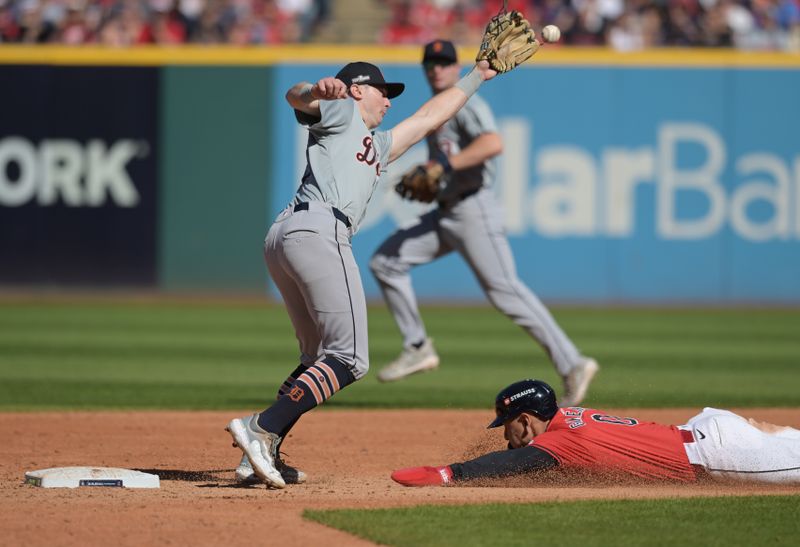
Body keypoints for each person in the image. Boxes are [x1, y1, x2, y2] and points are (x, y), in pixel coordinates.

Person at [226, 57, 504, 488]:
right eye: (382, 92)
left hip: (286, 235)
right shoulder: (340, 111)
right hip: (319, 230)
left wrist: (477, 76)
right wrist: (317, 90)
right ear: (356, 90)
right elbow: (294, 95)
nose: (388, 102)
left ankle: (260, 453)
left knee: (315, 358)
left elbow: (432, 116)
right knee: (349, 359)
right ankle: (261, 428)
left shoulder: (379, 144)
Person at [369, 39, 598, 407]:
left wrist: (443, 167)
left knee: (505, 291)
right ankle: (417, 346)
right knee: (386, 261)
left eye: (444, 63)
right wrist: (436, 175)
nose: (436, 69)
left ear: (456, 67)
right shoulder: (441, 106)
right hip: (447, 213)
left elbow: (492, 143)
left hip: (473, 210)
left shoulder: (466, 102)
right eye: (431, 63)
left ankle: (573, 363)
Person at [391, 379, 800, 486]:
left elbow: (515, 460)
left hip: (719, 455)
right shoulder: (570, 414)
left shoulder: (561, 440)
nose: (505, 435)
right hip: (710, 426)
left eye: (508, 424)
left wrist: (451, 473)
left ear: (528, 417)